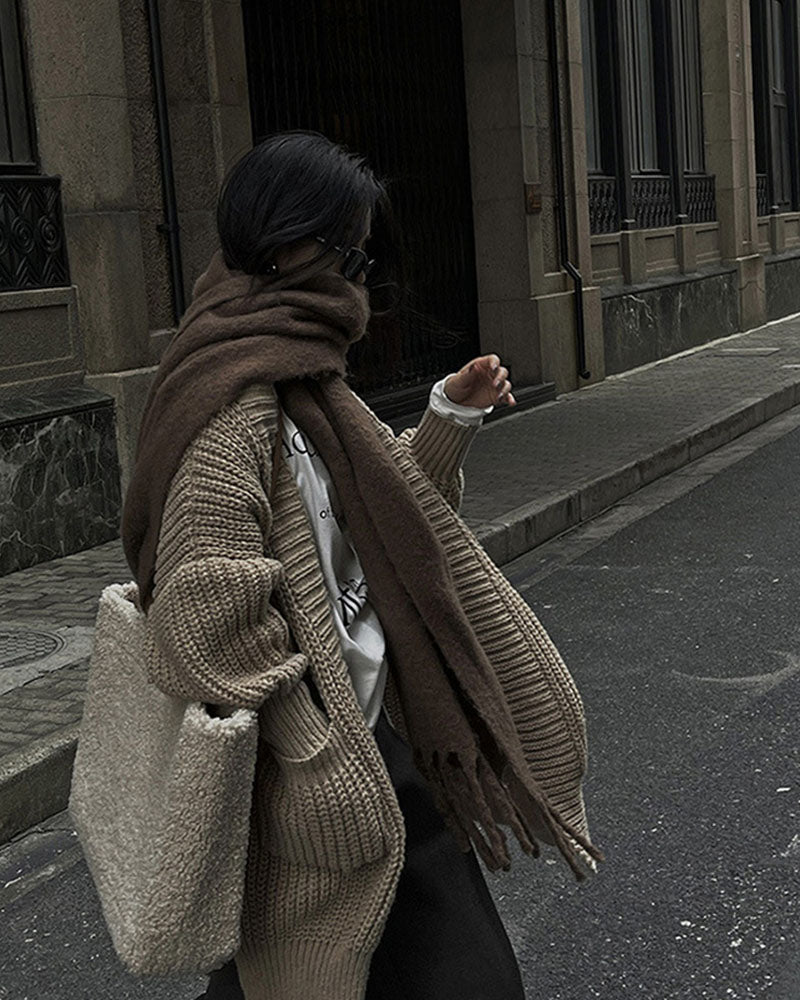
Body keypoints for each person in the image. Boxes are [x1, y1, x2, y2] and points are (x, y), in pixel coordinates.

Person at [121, 131, 600, 1000]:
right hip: (325, 776)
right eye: (345, 244)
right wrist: (315, 744)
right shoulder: (234, 405)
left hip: (388, 750)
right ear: (285, 240)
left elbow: (390, 524)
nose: (357, 269)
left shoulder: (310, 381)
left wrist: (448, 418)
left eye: (361, 249)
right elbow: (199, 620)